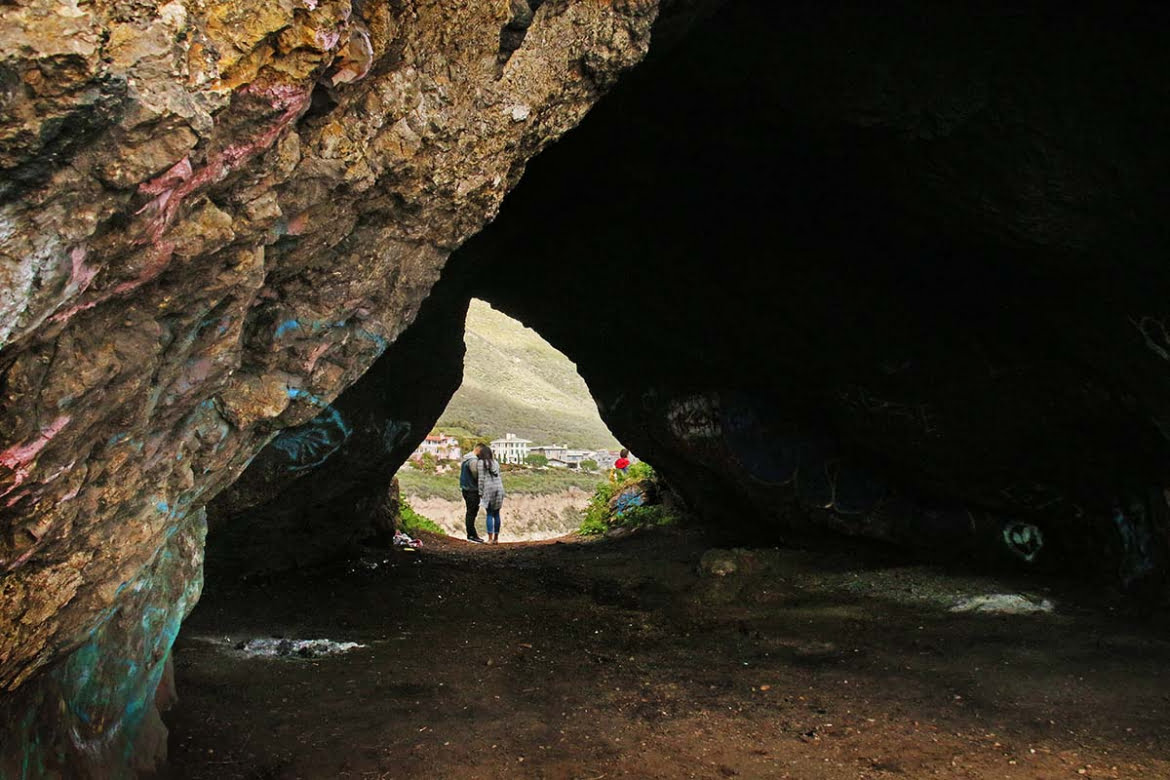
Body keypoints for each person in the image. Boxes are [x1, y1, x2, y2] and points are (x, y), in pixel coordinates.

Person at [477, 444, 506, 544]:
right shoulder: (496, 463)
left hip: (488, 489)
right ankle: (496, 539)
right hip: (499, 488)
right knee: (497, 514)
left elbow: (481, 479)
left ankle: (490, 538)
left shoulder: (481, 463)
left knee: (489, 514)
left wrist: (480, 492)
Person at [459, 443, 486, 543]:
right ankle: (471, 535)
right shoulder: (473, 461)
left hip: (466, 489)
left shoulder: (466, 459)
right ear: (479, 450)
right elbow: (476, 475)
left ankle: (472, 534)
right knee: (472, 513)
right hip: (472, 490)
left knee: (470, 512)